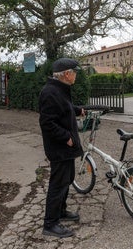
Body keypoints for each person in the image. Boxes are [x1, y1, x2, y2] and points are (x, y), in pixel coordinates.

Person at [39, 58, 85, 238]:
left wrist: (77, 109)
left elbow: (63, 108)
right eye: (75, 72)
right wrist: (67, 138)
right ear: (67, 74)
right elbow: (47, 122)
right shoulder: (50, 92)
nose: (76, 75)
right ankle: (50, 224)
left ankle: (61, 211)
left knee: (68, 179)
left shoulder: (59, 90)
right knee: (58, 184)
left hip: (65, 148)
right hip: (59, 148)